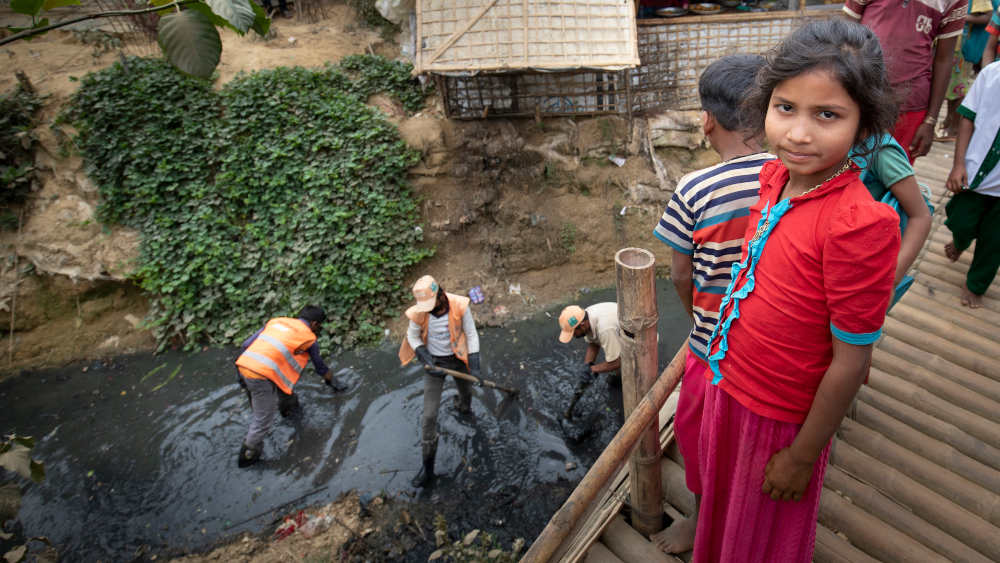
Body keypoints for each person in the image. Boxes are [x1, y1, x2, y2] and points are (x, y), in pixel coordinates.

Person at [695, 20, 900, 562]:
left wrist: (803, 455)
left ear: (864, 127)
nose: (799, 133)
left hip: (780, 415)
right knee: (728, 510)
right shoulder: (774, 178)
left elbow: (852, 361)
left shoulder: (860, 224)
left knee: (761, 529)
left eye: (827, 115)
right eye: (785, 107)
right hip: (732, 382)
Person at [650, 53, 772, 555]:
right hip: (778, 341)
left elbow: (681, 273)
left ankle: (700, 521)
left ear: (706, 120)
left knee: (697, 430)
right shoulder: (794, 174)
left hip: (717, 343)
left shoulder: (695, 187)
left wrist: (702, 318)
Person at [844, 0, 969, 161]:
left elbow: (944, 59)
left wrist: (930, 121)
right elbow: (845, 37)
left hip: (911, 104)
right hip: (861, 96)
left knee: (895, 174)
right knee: (845, 170)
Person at [234, 305, 346, 468]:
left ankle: (290, 413)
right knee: (263, 420)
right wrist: (333, 382)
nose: (318, 330)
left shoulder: (277, 322)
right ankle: (247, 457)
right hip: (260, 376)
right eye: (319, 326)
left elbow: (245, 345)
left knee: (287, 396)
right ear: (314, 324)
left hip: (244, 365)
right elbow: (320, 367)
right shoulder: (308, 338)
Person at [398, 275, 482, 488]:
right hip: (434, 365)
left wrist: (475, 364)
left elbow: (471, 334)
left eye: (431, 304)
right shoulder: (418, 313)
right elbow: (413, 336)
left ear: (440, 295)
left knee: (466, 395)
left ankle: (464, 408)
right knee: (428, 418)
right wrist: (423, 355)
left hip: (458, 358)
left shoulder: (459, 305)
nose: (428, 310)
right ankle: (428, 470)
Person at [849, 133, 933, 302]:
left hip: (857, 264)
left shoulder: (879, 150)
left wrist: (891, 283)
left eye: (828, 113)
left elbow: (920, 215)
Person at [944, 60, 1000, 308]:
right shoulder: (992, 74)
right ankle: (961, 240)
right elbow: (967, 118)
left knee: (994, 242)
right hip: (975, 175)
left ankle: (976, 284)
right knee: (960, 220)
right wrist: (959, 164)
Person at [557, 303, 621, 381]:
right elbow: (593, 343)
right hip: (615, 330)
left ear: (582, 325)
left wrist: (592, 370)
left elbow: (617, 362)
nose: (573, 336)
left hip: (634, 334)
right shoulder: (584, 316)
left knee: (616, 379)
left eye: (573, 333)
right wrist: (587, 365)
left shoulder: (605, 330)